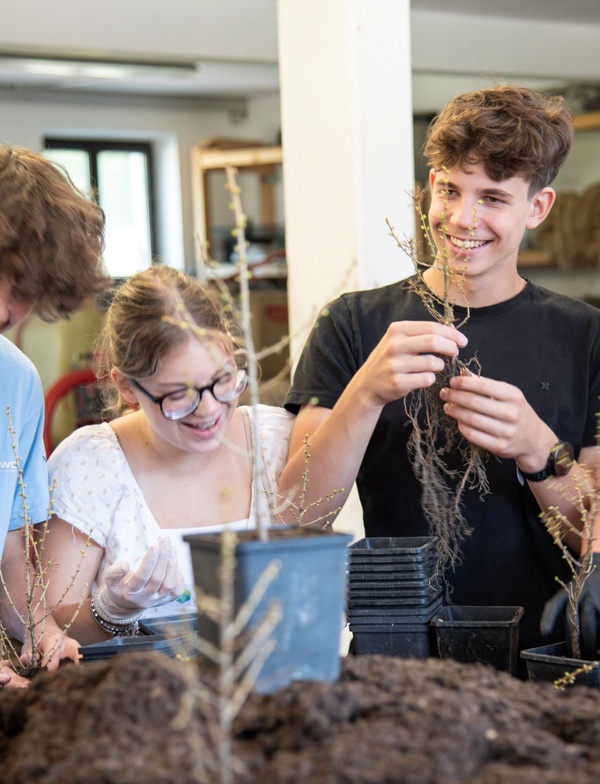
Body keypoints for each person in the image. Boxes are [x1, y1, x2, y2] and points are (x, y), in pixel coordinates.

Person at [280, 84, 600, 662]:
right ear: (431, 186)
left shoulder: (587, 338)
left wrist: (537, 447)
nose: (462, 217)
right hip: (398, 657)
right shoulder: (352, 324)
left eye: (493, 198)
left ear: (538, 207)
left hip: (547, 662)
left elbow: (591, 541)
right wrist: (364, 393)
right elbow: (298, 517)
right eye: (450, 189)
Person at [43, 265, 293, 644]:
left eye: (223, 380)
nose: (209, 410)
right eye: (178, 395)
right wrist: (111, 611)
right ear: (126, 386)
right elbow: (49, 622)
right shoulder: (90, 465)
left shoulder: (276, 440)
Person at [0, 143, 107, 687]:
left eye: (21, 290)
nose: (2, 308)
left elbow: (11, 546)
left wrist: (39, 629)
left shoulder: (14, 382)